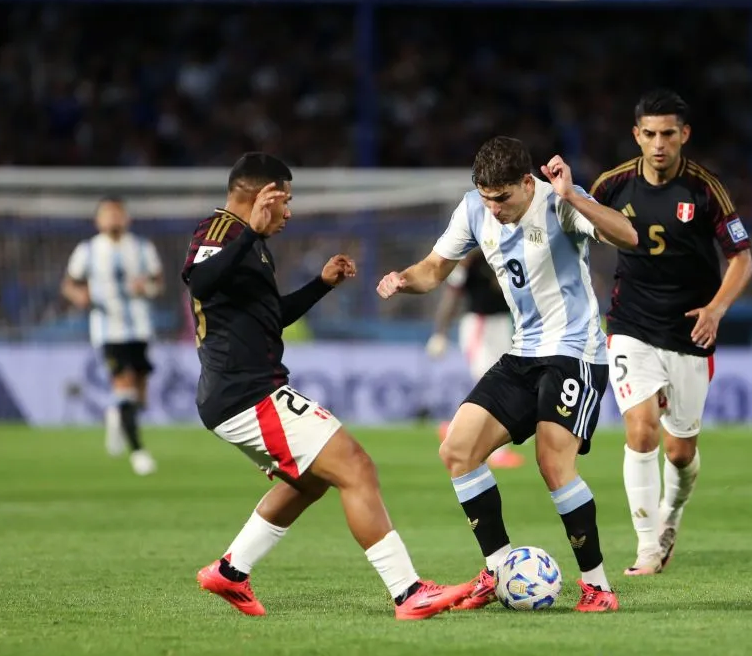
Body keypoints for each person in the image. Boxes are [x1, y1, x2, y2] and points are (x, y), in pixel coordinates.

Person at [182, 152, 471, 620]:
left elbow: (270, 318)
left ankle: (231, 571)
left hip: (246, 390)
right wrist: (251, 232)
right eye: (285, 200)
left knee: (311, 481)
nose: (289, 213)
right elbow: (200, 281)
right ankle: (408, 592)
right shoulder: (221, 232)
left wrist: (320, 285)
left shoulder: (251, 243)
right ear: (262, 197)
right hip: (245, 392)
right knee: (357, 467)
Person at [377, 136, 638, 612]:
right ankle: (497, 569)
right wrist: (402, 279)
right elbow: (434, 270)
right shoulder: (474, 209)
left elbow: (628, 236)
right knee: (457, 450)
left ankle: (598, 586)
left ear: (527, 182)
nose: (493, 209)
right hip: (523, 354)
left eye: (502, 198)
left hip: (575, 352)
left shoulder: (560, 203)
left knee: (552, 462)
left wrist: (574, 196)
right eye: (485, 197)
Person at [589, 89, 752, 576]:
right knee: (641, 430)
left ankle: (671, 515)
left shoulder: (705, 190)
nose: (659, 144)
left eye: (668, 134)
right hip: (630, 326)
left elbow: (742, 259)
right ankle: (646, 548)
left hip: (689, 332)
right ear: (636, 135)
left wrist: (716, 309)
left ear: (684, 135)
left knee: (681, 451)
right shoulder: (612, 185)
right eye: (650, 134)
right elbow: (574, 224)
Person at [62, 196, 163, 475]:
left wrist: (148, 288)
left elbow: (158, 282)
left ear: (126, 218)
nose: (113, 218)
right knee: (125, 386)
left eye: (117, 213)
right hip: (108, 331)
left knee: (139, 397)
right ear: (98, 221)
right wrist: (78, 295)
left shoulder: (142, 248)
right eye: (107, 214)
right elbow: (69, 284)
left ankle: (115, 415)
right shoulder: (88, 250)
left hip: (140, 327)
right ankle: (139, 453)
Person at [426, 248, 524, 469]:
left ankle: (454, 428)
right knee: (490, 382)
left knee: (505, 383)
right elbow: (452, 296)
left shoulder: (505, 253)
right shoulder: (468, 264)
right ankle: (497, 453)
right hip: (479, 325)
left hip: (502, 325)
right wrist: (439, 332)